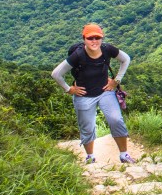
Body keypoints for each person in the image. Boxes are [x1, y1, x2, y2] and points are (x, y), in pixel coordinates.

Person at [52, 23, 135, 164]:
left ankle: (124, 155)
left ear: (102, 39)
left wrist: (116, 80)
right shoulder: (78, 55)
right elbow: (56, 74)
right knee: (87, 127)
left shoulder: (107, 49)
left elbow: (126, 59)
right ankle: (90, 157)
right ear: (84, 39)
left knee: (116, 120)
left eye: (98, 38)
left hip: (105, 92)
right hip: (84, 95)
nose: (94, 41)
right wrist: (69, 89)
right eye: (90, 38)